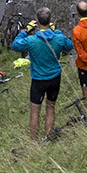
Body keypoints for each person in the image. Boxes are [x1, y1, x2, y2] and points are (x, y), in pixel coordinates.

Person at [10, 8, 74, 141]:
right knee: (50, 107)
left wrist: (25, 31)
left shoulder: (31, 40)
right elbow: (69, 45)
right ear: (51, 21)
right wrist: (57, 31)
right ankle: (49, 136)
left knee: (35, 111)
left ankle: (34, 142)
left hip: (38, 79)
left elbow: (15, 45)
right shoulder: (58, 38)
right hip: (55, 77)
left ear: (37, 22)